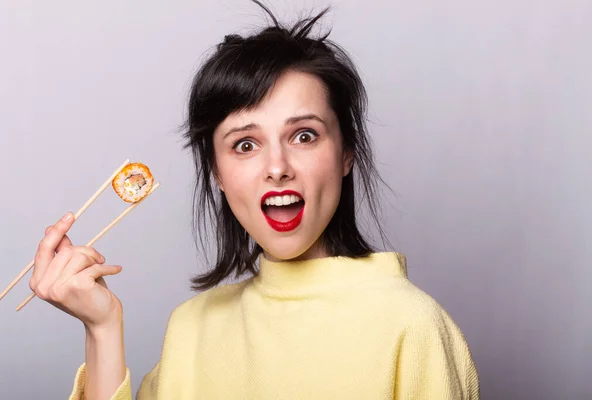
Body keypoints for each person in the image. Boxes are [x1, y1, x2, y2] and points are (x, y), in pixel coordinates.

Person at [29, 2, 480, 399]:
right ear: (217, 173)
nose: (277, 166)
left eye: (304, 135)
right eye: (245, 144)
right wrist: (102, 328)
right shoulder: (193, 327)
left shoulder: (412, 327)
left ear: (346, 154)